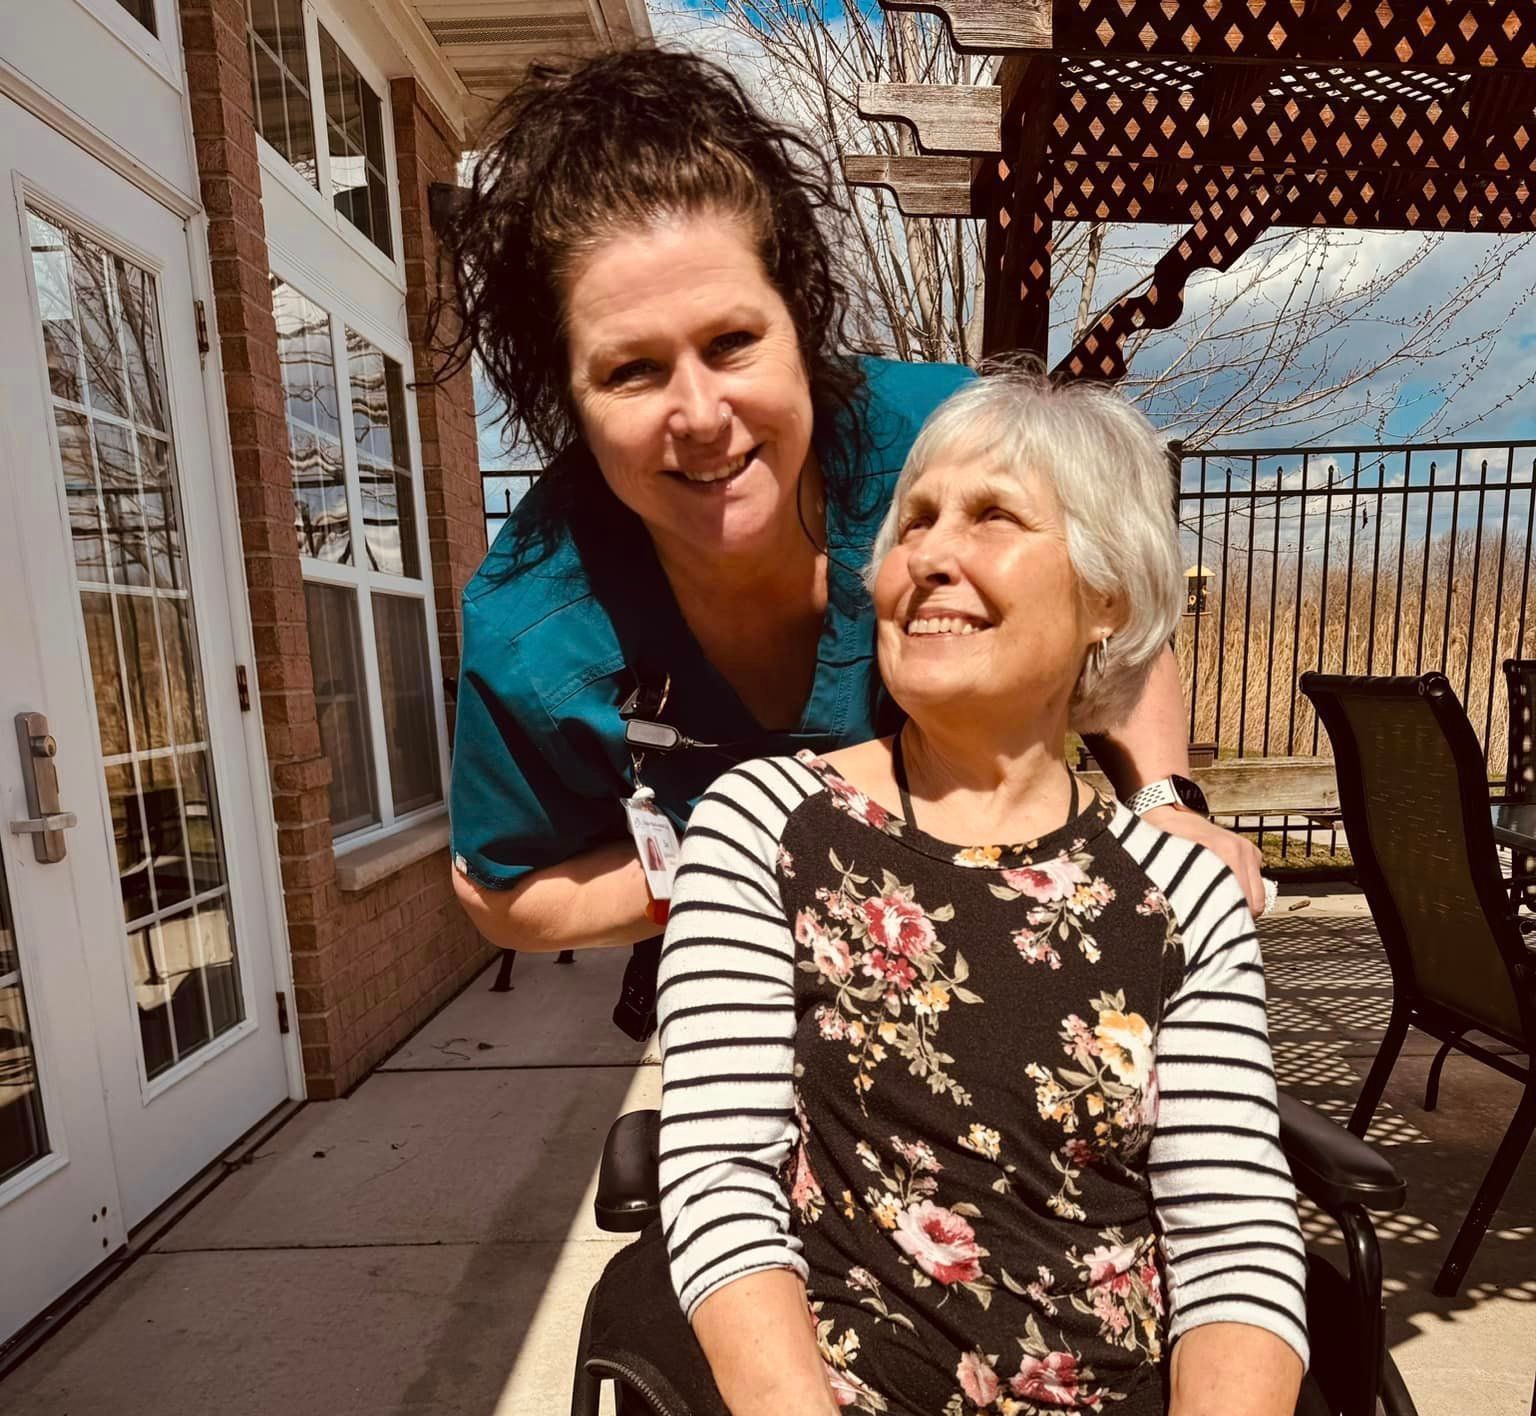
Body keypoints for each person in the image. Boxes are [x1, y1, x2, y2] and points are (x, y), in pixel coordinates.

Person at [647, 367, 1499, 1416]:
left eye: (992, 516)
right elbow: (719, 1183)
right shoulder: (769, 826)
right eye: (909, 522)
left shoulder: (1179, 881)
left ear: (1105, 596)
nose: (928, 555)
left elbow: (1240, 1228)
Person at [441, 49, 1263, 1034]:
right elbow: (501, 895)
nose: (700, 413)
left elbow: (1110, 629)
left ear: (799, 320)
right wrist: (759, 857)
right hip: (730, 977)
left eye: (733, 342)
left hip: (1002, 940)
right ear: (568, 398)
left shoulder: (947, 448)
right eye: (631, 370)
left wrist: (1166, 802)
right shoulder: (532, 625)